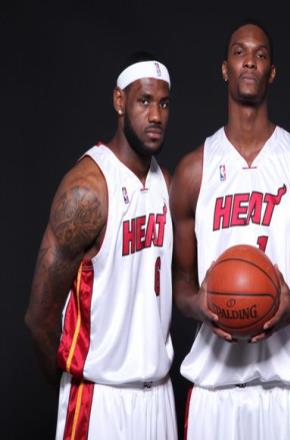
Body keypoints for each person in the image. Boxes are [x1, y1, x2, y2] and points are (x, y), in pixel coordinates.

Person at [170, 20, 290, 440]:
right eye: (239, 52)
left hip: (280, 389)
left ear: (271, 73)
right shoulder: (193, 170)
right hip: (212, 389)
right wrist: (197, 305)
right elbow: (181, 282)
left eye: (260, 55)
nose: (249, 62)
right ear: (225, 68)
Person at [24, 52, 178, 439]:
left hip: (159, 397)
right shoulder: (87, 189)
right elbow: (39, 318)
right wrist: (69, 384)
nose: (156, 115)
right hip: (100, 399)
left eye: (163, 104)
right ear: (119, 101)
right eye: (144, 101)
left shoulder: (168, 185)